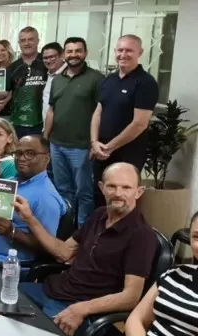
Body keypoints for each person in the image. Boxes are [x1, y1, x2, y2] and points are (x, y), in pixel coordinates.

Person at [14, 162, 156, 336]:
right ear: (102, 188)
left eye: (126, 187)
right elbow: (64, 252)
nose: (118, 194)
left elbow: (130, 297)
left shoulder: (142, 235)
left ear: (139, 192)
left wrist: (81, 309)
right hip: (56, 290)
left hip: (82, 307)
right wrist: (29, 219)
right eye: (112, 186)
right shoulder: (99, 214)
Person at [0, 135, 65, 263]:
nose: (21, 158)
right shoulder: (12, 182)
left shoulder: (47, 197)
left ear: (46, 158)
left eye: (30, 154)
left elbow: (47, 247)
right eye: (18, 153)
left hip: (2, 262)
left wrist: (11, 232)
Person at [90, 34, 158, 208]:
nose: (123, 54)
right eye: (120, 50)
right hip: (102, 151)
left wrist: (109, 147)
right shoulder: (109, 80)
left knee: (123, 200)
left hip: (127, 154)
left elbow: (139, 124)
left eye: (129, 50)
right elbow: (98, 112)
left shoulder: (145, 83)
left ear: (140, 53)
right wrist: (94, 142)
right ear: (115, 51)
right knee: (100, 197)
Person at [45, 37, 103, 226]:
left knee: (84, 192)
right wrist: (46, 138)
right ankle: (65, 227)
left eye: (78, 51)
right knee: (63, 189)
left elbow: (100, 112)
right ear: (64, 55)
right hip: (56, 144)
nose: (74, 55)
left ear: (85, 53)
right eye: (69, 51)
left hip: (81, 146)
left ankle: (82, 231)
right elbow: (51, 110)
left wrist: (94, 142)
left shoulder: (96, 79)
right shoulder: (57, 80)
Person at [5, 27, 47, 138]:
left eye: (31, 39)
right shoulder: (12, 67)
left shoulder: (47, 64)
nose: (27, 43)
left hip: (43, 123)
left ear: (38, 40)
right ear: (19, 43)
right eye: (23, 40)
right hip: (17, 123)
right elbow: (5, 92)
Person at [40, 42, 66, 124]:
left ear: (62, 55)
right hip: (47, 127)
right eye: (45, 58)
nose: (48, 60)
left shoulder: (69, 74)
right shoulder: (48, 74)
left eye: (52, 57)